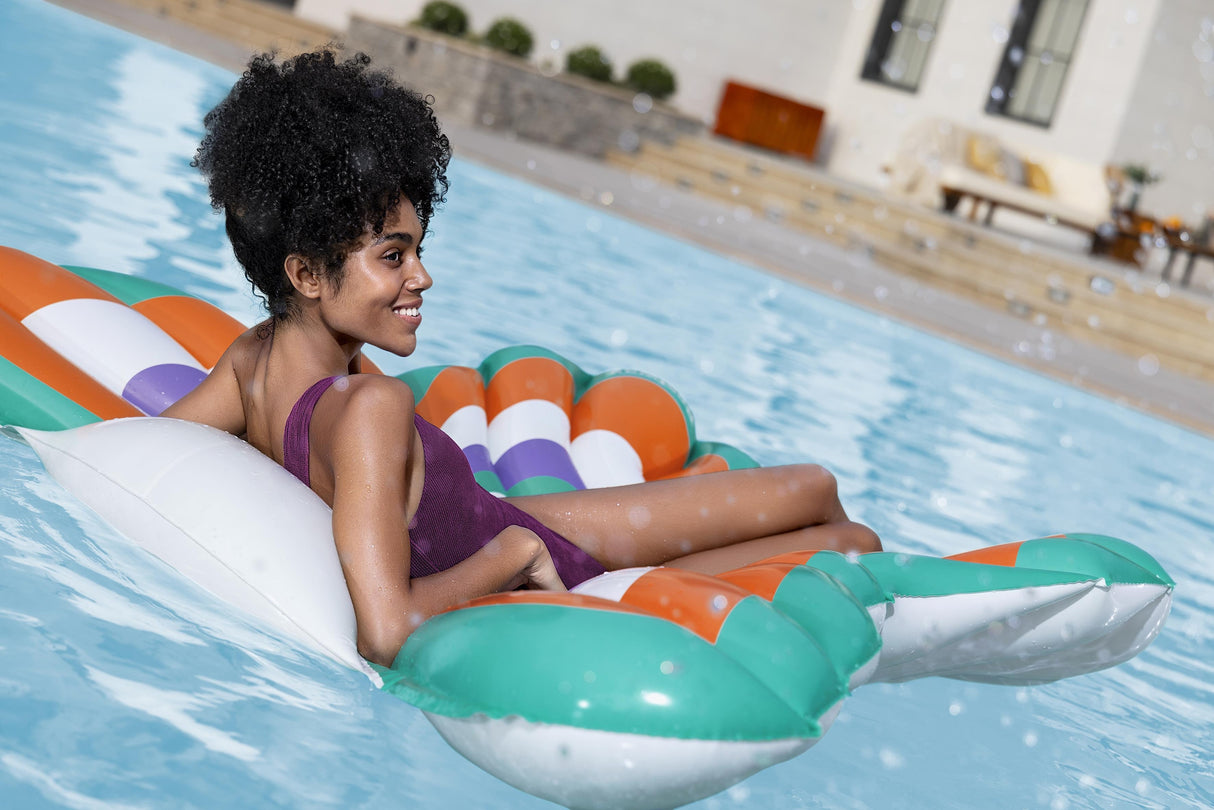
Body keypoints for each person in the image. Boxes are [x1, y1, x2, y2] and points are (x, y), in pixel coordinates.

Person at [163, 50, 881, 667]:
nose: (421, 277)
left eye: (417, 248)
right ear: (307, 275)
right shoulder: (369, 407)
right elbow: (386, 632)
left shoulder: (251, 363)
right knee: (849, 536)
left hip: (505, 512)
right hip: (547, 561)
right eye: (392, 256)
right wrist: (511, 555)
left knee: (811, 488)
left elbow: (153, 442)